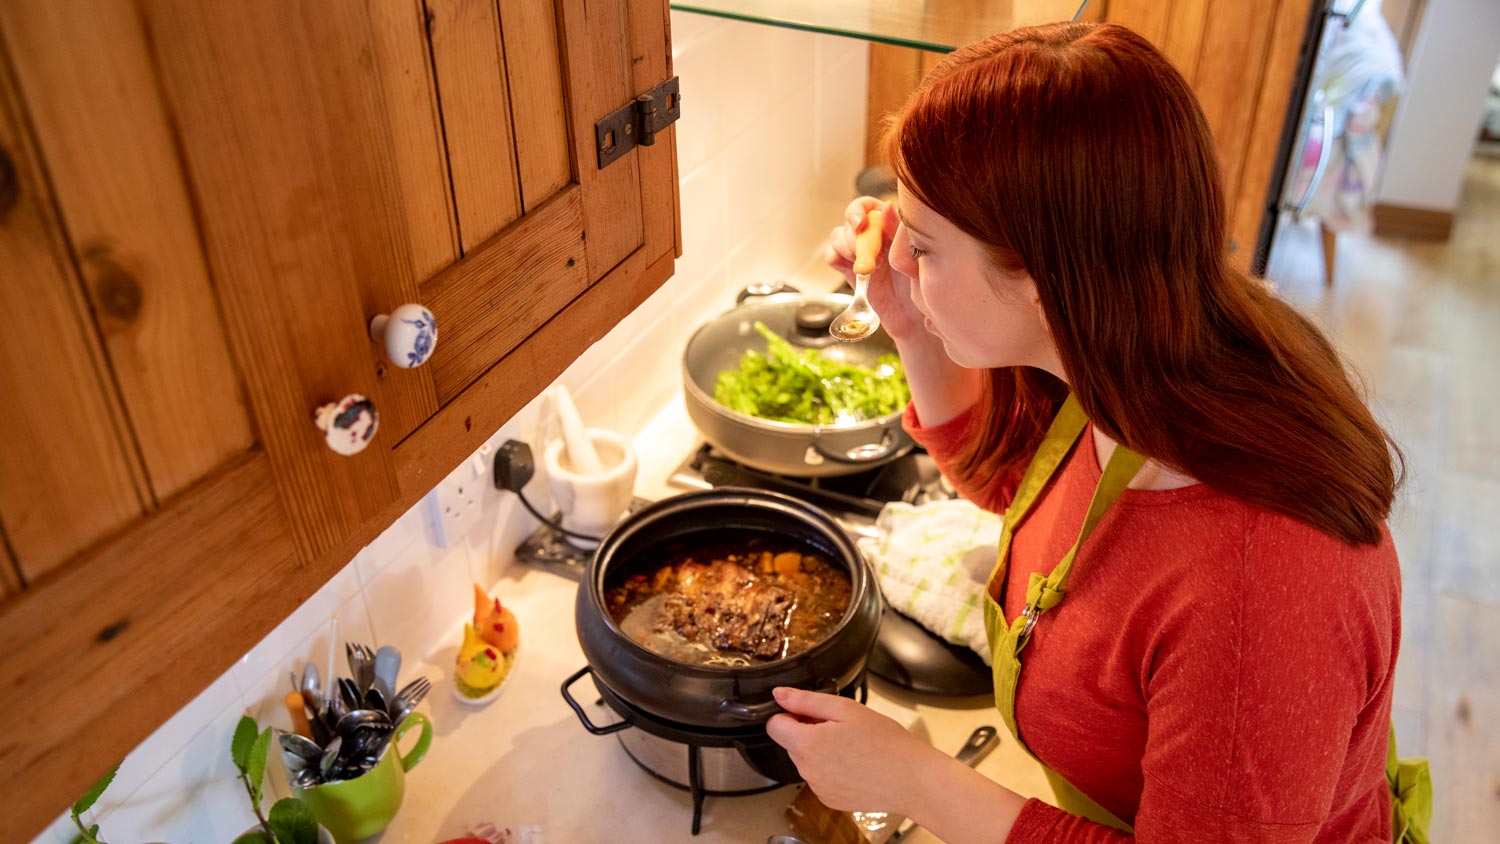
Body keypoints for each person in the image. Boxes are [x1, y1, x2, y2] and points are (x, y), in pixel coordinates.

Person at [764, 21, 1419, 843]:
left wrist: (918, 783)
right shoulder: (1144, 360)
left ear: (1043, 276)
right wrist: (914, 326)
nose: (893, 261)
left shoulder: (1261, 586)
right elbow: (1027, 492)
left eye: (923, 247)